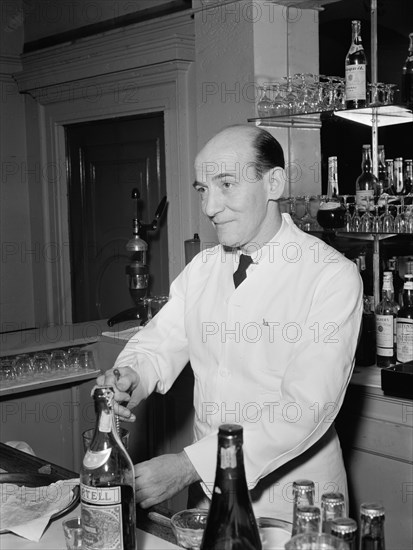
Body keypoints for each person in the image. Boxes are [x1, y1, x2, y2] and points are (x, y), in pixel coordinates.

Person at [97, 124, 363, 520]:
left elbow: (305, 408)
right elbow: (159, 342)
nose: (209, 207)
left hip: (292, 505)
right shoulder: (203, 268)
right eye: (203, 189)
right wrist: (131, 376)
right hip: (208, 501)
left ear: (274, 183)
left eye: (225, 184)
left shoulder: (330, 276)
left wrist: (190, 466)